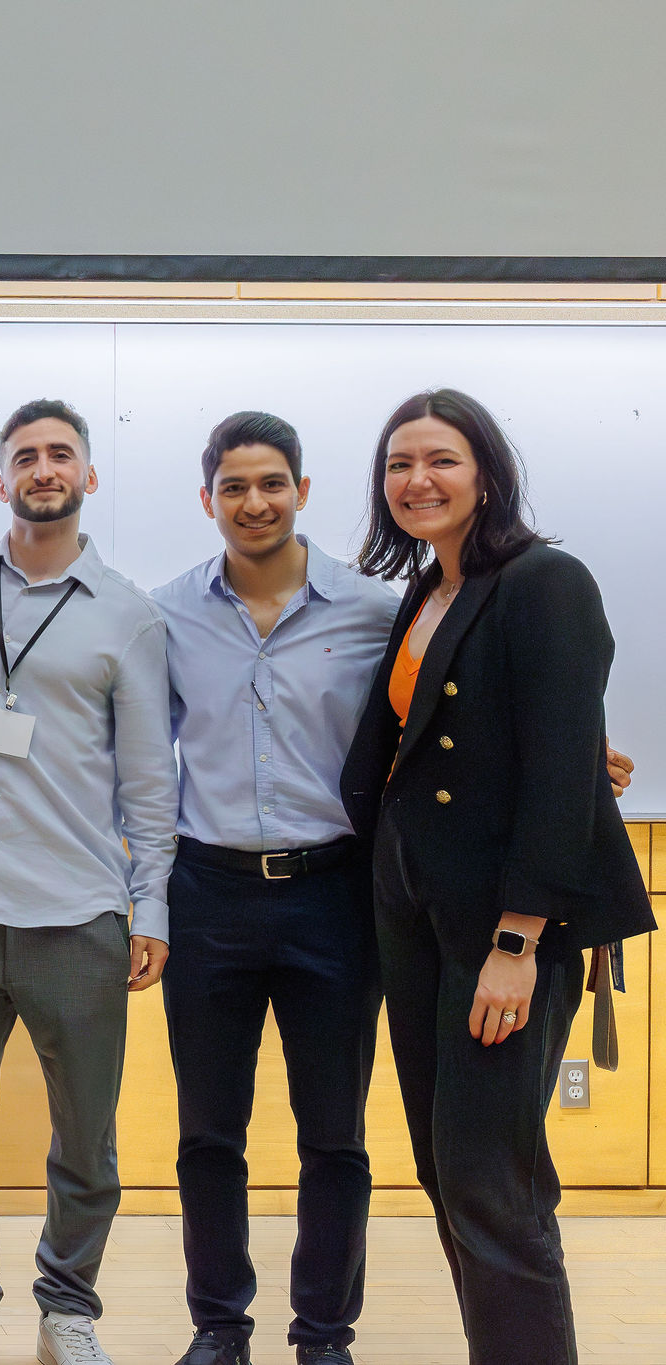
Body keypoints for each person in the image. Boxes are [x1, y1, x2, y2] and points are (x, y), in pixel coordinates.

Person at [339, 389, 652, 1365]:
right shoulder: (424, 594)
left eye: (439, 460)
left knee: (485, 1175)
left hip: (501, 929)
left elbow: (560, 766)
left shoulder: (544, 581)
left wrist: (517, 942)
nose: (415, 480)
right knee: (455, 1171)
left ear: (485, 474)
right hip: (414, 916)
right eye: (397, 464)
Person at [0, 399, 176, 1365]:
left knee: (85, 1136)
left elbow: (149, 783)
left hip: (78, 914)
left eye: (62, 454)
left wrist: (156, 906)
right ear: (2, 476)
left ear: (89, 477)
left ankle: (70, 1302)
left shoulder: (128, 616)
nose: (43, 467)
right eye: (26, 455)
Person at [150, 413, 399, 1365]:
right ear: (208, 496)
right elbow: (132, 759)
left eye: (273, 483)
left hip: (333, 894)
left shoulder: (374, 610)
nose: (254, 502)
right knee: (209, 1131)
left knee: (333, 1135)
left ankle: (324, 1333)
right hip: (206, 890)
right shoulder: (165, 613)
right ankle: (220, 1326)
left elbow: (454, 712)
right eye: (234, 486)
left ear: (302, 490)